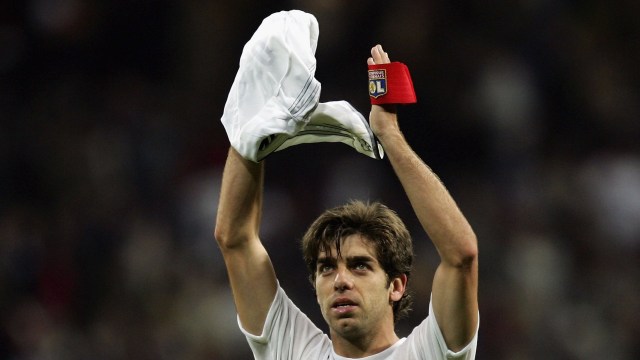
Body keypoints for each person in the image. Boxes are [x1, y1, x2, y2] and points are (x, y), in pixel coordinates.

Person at [214, 44, 479, 359]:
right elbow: (235, 240)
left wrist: (389, 134)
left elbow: (461, 256)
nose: (340, 280)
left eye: (360, 266)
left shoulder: (427, 352)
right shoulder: (293, 351)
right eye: (326, 268)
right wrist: (247, 139)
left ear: (396, 286)